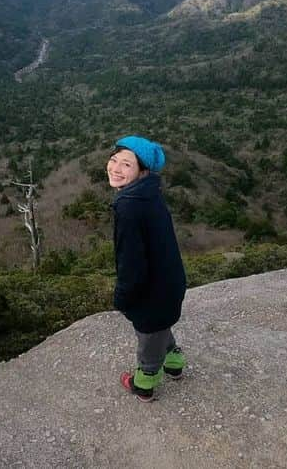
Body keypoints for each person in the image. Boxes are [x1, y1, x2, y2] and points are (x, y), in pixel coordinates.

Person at [107, 135, 187, 401]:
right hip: (169, 282)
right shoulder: (149, 193)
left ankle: (145, 381)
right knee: (160, 326)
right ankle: (174, 363)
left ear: (142, 171)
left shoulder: (129, 206)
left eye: (126, 165)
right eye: (114, 159)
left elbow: (131, 262)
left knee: (148, 335)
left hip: (154, 290)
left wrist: (123, 296)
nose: (116, 168)